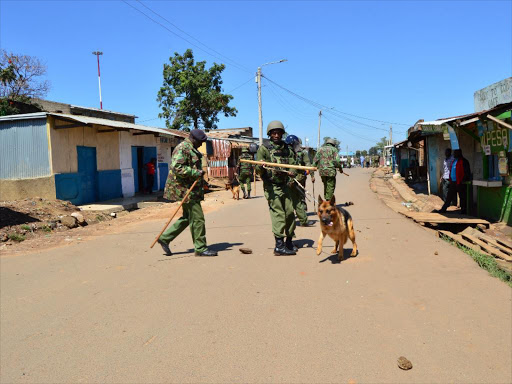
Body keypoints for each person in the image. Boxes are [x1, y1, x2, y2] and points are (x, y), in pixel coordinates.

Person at [157, 129, 218, 257]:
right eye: (200, 142)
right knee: (198, 219)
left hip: (190, 189)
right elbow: (177, 167)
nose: (201, 145)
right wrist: (196, 173)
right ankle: (200, 248)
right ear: (194, 139)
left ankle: (165, 238)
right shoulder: (183, 148)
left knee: (187, 218)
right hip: (185, 189)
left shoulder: (190, 148)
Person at [256, 121, 298, 256]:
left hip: (285, 184)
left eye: (278, 132)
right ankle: (279, 246)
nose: (276, 135)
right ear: (269, 134)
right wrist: (260, 166)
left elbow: (293, 164)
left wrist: (292, 172)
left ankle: (289, 241)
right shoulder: (264, 149)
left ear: (282, 134)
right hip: (271, 186)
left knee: (290, 212)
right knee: (278, 213)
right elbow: (257, 169)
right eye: (273, 133)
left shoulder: (287, 148)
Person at [284, 135, 314, 227]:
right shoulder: (285, 153)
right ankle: (300, 220)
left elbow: (308, 166)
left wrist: (306, 173)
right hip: (287, 179)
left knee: (297, 199)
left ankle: (301, 219)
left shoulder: (302, 152)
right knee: (294, 200)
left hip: (298, 179)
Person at [436, 149, 471, 214]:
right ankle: (443, 209)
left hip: (460, 182)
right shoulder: (454, 161)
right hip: (453, 182)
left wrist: (464, 179)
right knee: (449, 197)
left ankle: (463, 211)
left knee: (462, 197)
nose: (454, 154)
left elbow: (467, 172)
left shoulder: (464, 161)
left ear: (459, 153)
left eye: (455, 153)